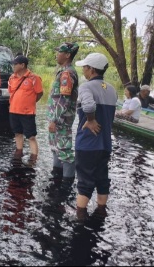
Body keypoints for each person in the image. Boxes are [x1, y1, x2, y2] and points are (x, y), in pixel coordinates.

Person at [74, 52, 117, 221]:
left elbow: (89, 105)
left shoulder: (86, 87)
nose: (83, 70)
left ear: (91, 69)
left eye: (84, 67)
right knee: (101, 178)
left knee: (84, 181)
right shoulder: (112, 89)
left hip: (88, 144)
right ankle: (100, 212)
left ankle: (80, 217)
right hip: (105, 143)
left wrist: (90, 120)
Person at [47, 43, 79, 190]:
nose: (56, 54)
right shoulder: (63, 71)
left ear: (67, 55)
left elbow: (64, 99)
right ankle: (57, 176)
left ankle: (67, 184)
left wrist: (54, 120)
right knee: (56, 148)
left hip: (61, 120)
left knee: (65, 152)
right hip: (57, 120)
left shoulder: (67, 73)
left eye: (59, 51)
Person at [8, 54, 43, 164]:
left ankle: (33, 159)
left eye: (15, 64)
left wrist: (29, 103)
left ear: (22, 65)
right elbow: (11, 92)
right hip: (13, 111)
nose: (13, 66)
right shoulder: (11, 78)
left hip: (28, 113)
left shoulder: (34, 78)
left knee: (31, 137)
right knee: (17, 134)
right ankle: (18, 154)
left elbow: (39, 93)